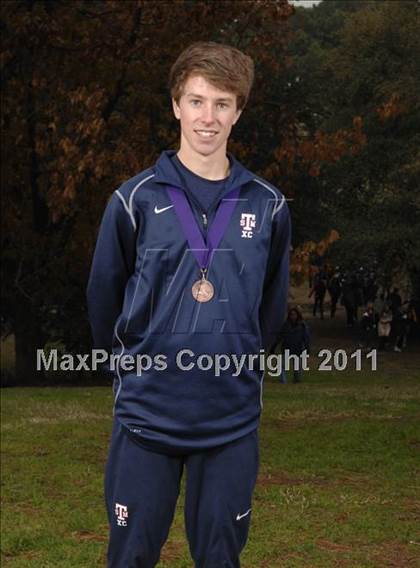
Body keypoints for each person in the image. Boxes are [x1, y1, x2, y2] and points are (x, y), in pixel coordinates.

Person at [86, 42, 291, 568]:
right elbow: (103, 299)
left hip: (231, 419)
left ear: (238, 111)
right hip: (147, 418)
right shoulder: (133, 200)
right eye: (196, 101)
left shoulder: (267, 205)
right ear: (175, 105)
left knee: (221, 558)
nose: (208, 118)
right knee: (130, 556)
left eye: (222, 104)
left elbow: (270, 308)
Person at [278, 306, 310, 383]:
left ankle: (297, 379)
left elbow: (306, 337)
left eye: (294, 314)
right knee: (283, 366)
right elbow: (280, 336)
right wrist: (274, 346)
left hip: (297, 348)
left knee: (297, 367)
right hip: (287, 347)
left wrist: (307, 347)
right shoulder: (286, 325)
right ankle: (283, 380)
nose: (293, 316)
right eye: (291, 314)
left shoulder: (302, 325)